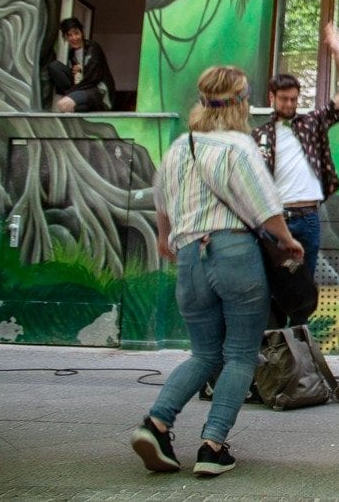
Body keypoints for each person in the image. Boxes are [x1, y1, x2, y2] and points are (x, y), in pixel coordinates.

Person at [132, 65, 304, 476]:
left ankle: (156, 424)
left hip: (190, 254)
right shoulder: (238, 147)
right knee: (240, 355)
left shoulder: (178, 148)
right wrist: (288, 241)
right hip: (234, 253)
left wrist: (165, 239)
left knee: (204, 353)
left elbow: (161, 205)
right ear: (240, 103)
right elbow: (264, 207)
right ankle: (212, 446)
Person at [251, 21, 339, 327]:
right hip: (274, 220)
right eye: (284, 99)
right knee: (271, 289)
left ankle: (299, 353)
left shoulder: (311, 124)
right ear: (271, 97)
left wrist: (337, 51)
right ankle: (272, 351)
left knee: (303, 290)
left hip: (308, 218)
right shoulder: (258, 135)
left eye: (294, 99)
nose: (290, 104)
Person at [48, 17, 116, 112]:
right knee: (54, 66)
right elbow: (74, 79)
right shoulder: (71, 54)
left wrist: (70, 93)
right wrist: (75, 74)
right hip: (81, 88)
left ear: (82, 33)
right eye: (69, 35)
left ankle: (71, 98)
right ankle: (73, 100)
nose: (74, 38)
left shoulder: (93, 47)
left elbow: (92, 78)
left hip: (96, 89)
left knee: (63, 104)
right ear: (65, 37)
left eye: (76, 33)